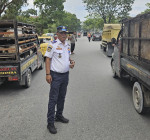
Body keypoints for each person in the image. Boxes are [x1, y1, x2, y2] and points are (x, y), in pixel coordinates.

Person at [45, 26, 75, 134]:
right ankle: (50, 122)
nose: (64, 35)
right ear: (57, 34)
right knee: (53, 98)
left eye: (65, 33)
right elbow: (47, 59)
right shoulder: (52, 44)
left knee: (62, 96)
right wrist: (48, 74)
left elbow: (67, 57)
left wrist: (71, 62)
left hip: (65, 75)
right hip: (55, 75)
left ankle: (59, 115)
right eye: (62, 33)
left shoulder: (67, 45)